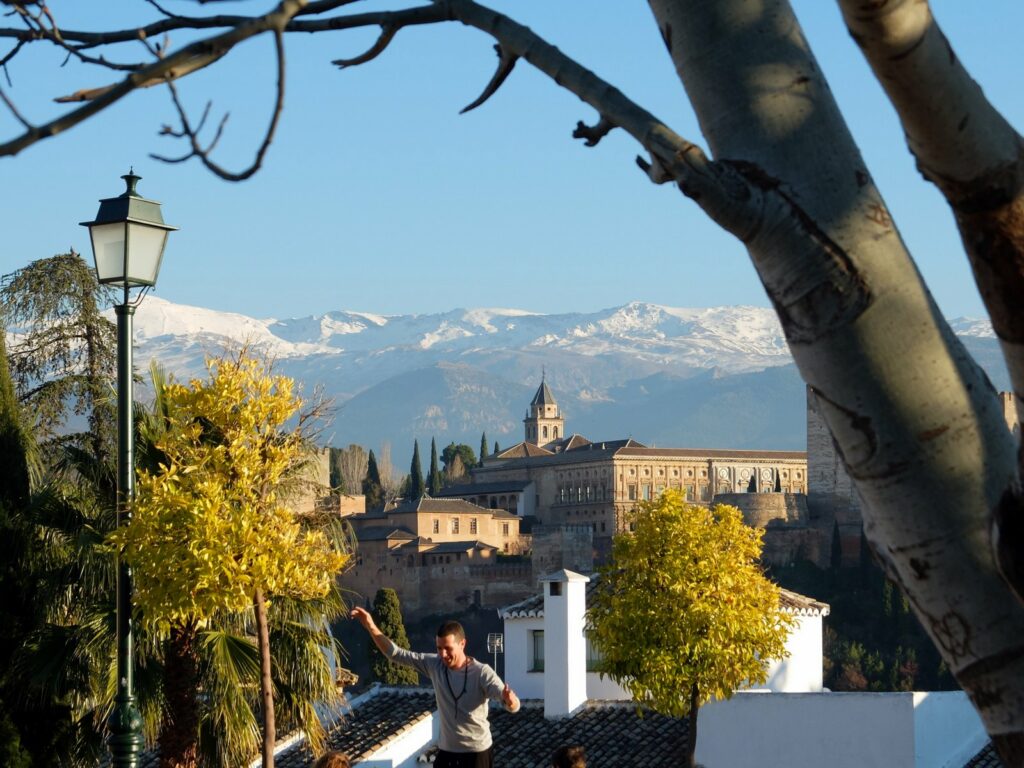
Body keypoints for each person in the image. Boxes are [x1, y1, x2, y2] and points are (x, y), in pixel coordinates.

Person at [350, 606, 520, 768]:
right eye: (439, 648)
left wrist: (510, 700)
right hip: (447, 751)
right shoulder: (434, 665)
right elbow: (396, 653)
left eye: (448, 648)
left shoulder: (482, 672)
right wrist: (370, 626)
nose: (443, 654)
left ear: (462, 644)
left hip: (477, 753)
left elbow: (512, 704)